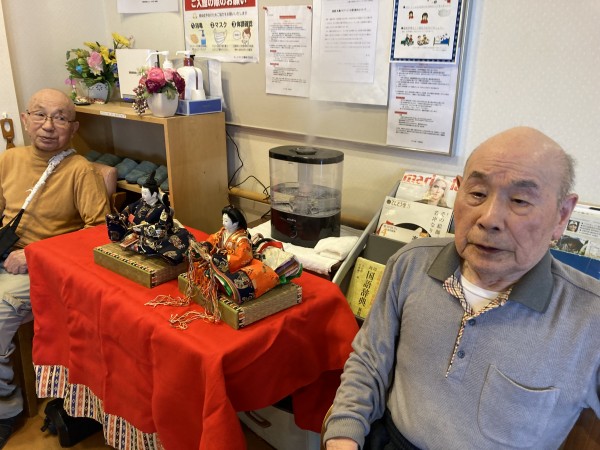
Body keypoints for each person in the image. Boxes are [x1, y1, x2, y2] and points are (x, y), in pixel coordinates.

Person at [323, 127, 600, 449]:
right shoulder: (411, 263)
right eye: (478, 194)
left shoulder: (590, 317)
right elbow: (370, 361)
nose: (489, 218)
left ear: (562, 215)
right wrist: (343, 435)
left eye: (520, 200)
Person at [0, 88, 109, 446]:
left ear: (73, 128)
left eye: (60, 118)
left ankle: (6, 409)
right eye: (40, 115)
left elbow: (99, 234)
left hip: (44, 269)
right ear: (26, 119)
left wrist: (34, 254)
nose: (48, 125)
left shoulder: (80, 170)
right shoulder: (10, 159)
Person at [189, 205, 281, 304]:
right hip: (219, 260)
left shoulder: (242, 239)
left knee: (239, 282)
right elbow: (213, 239)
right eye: (223, 220)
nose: (223, 223)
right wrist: (206, 246)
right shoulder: (223, 232)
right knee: (198, 264)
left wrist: (220, 259)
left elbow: (242, 257)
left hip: (235, 265)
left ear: (236, 222)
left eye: (226, 221)